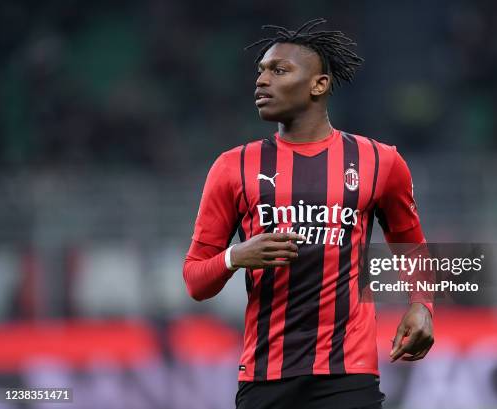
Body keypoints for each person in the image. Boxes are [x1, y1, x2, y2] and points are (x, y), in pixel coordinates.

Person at [183, 18, 434, 409]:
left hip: (348, 375)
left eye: (278, 70)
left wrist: (421, 305)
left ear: (319, 84)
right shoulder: (233, 167)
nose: (261, 81)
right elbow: (196, 281)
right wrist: (236, 257)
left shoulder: (379, 161)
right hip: (266, 376)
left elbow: (412, 246)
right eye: (261, 71)